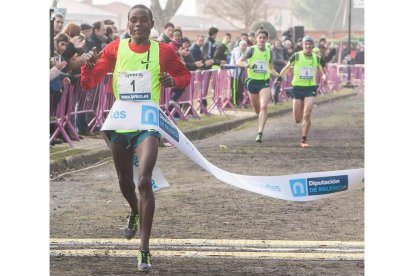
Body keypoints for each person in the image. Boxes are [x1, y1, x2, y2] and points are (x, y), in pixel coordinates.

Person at [80, 4, 191, 271]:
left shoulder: (163, 50)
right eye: (133, 20)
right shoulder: (115, 49)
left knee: (143, 180)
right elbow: (89, 82)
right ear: (127, 24)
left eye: (143, 20)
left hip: (147, 122)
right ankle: (133, 210)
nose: (138, 24)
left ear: (152, 23)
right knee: (124, 181)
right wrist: (88, 66)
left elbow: (184, 76)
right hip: (120, 121)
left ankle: (144, 249)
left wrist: (171, 81)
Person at [278, 36, 327, 148]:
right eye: (306, 44)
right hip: (297, 88)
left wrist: (324, 77)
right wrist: (279, 77)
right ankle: (302, 126)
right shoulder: (296, 56)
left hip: (310, 88)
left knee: (307, 114)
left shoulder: (317, 58)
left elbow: (324, 72)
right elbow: (286, 67)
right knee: (297, 118)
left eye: (310, 44)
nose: (308, 46)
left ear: (312, 45)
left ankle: (304, 139)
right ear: (303, 45)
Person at [236, 28, 280, 143]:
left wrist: (278, 75)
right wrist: (247, 65)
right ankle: (260, 118)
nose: (261, 40)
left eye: (264, 38)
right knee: (257, 110)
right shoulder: (251, 50)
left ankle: (260, 133)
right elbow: (239, 62)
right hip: (252, 82)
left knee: (264, 106)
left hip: (264, 82)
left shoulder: (269, 51)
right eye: (260, 37)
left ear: (267, 39)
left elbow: (270, 69)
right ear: (256, 39)